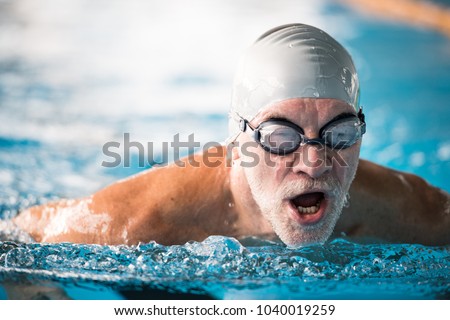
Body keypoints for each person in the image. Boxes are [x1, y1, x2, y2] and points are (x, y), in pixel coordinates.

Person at [12, 23, 450, 247]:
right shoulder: (143, 219)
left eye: (340, 133)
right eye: (281, 136)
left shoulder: (413, 213)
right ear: (238, 139)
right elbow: (17, 233)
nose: (314, 162)